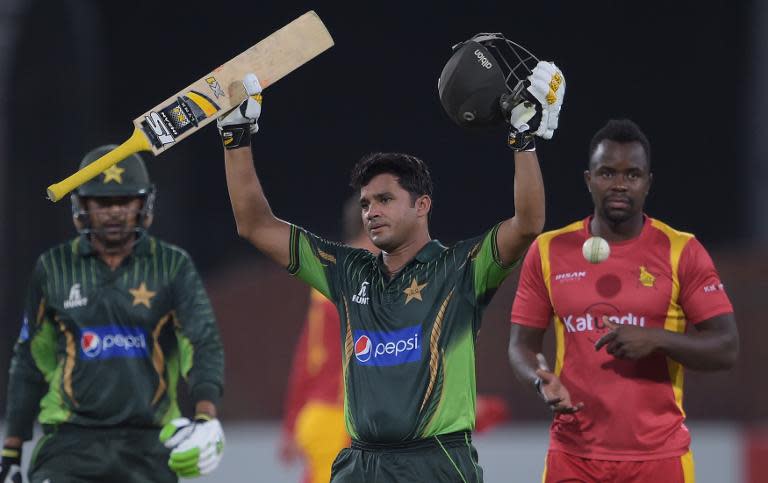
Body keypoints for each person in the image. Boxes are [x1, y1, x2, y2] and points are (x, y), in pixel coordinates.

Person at [217, 59, 564, 482]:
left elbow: (527, 223)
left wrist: (523, 141)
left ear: (422, 205)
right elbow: (255, 225)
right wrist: (236, 139)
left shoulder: (461, 268)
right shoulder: (346, 272)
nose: (371, 212)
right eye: (365, 203)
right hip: (359, 464)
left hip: (436, 464)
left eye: (384, 200)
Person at [508, 119, 739, 483]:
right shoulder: (549, 250)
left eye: (632, 174)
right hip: (573, 456)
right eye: (606, 173)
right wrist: (540, 380)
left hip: (659, 459)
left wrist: (657, 338)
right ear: (588, 179)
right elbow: (521, 345)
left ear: (648, 182)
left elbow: (726, 348)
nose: (618, 184)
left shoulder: (683, 251)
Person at [0, 148, 225, 483]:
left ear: (143, 204)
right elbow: (30, 361)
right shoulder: (53, 268)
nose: (115, 212)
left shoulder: (173, 266)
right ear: (83, 206)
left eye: (125, 200)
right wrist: (11, 452)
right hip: (69, 443)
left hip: (150, 445)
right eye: (103, 203)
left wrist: (206, 416)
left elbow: (202, 341)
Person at [279, 197, 379, 483]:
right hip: (341, 419)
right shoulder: (363, 276)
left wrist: (291, 422)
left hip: (320, 415)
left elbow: (306, 357)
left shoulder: (330, 272)